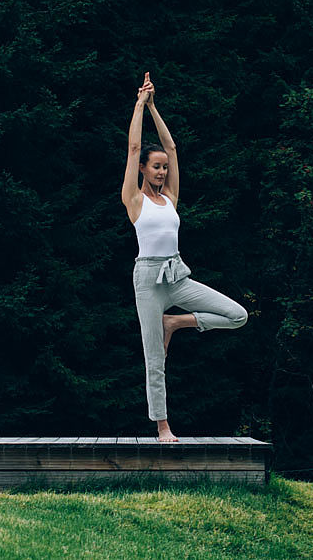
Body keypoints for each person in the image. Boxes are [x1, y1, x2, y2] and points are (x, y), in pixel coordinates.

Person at [121, 72, 248, 442]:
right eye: (155, 166)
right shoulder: (134, 200)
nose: (161, 171)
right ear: (144, 169)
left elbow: (172, 148)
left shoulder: (170, 198)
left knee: (238, 315)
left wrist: (156, 107)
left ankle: (175, 324)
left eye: (163, 167)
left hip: (177, 275)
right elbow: (132, 148)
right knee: (154, 360)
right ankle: (163, 426)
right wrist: (139, 105)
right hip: (148, 280)